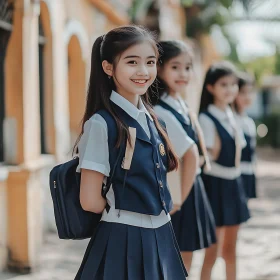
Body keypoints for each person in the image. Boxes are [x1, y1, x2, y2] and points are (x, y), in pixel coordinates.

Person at [74, 26, 187, 280]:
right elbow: (89, 200)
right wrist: (125, 211)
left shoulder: (154, 120)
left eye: (150, 62)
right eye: (132, 62)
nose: (143, 71)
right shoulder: (101, 124)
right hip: (123, 239)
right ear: (108, 67)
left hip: (163, 234)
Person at [153, 40, 216, 272]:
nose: (183, 73)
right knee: (177, 262)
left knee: (185, 259)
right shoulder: (160, 109)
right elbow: (189, 154)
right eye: (175, 67)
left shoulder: (180, 104)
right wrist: (178, 201)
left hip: (188, 187)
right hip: (178, 190)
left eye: (188, 67)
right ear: (159, 69)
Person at [198, 61, 250, 280]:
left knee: (230, 250)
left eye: (233, 84)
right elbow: (207, 158)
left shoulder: (233, 116)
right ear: (210, 88)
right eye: (223, 84)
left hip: (234, 184)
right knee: (212, 251)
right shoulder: (206, 118)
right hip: (215, 186)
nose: (230, 89)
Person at [234, 72, 257, 199]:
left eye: (250, 92)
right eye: (243, 92)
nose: (247, 96)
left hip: (249, 173)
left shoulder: (249, 121)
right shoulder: (232, 119)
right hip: (236, 175)